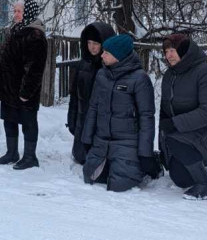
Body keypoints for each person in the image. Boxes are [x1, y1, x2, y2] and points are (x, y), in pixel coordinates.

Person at [159, 34, 207, 200]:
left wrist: (174, 125)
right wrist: (164, 146)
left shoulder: (205, 72)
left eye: (173, 50)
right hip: (189, 127)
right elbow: (165, 113)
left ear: (185, 51)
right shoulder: (169, 76)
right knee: (180, 178)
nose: (169, 55)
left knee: (176, 141)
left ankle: (205, 186)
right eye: (166, 51)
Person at [81, 34, 157, 192]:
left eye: (106, 53)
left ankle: (154, 163)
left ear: (119, 56)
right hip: (102, 140)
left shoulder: (140, 79)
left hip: (127, 143)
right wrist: (87, 139)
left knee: (120, 185)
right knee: (90, 176)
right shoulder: (102, 75)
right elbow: (93, 107)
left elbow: (146, 117)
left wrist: (145, 153)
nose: (102, 55)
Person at [0, 0, 48, 170]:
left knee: (28, 122)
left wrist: (26, 91)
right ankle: (12, 153)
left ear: (28, 13)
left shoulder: (35, 36)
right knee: (9, 119)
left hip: (23, 90)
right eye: (14, 11)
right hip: (9, 88)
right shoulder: (17, 30)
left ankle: (30, 157)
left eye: (19, 11)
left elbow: (35, 68)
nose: (15, 14)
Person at [66, 21, 115, 165]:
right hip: (83, 119)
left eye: (96, 43)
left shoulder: (111, 67)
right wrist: (72, 119)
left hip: (102, 124)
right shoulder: (83, 64)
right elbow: (74, 95)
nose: (92, 47)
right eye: (89, 43)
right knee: (81, 157)